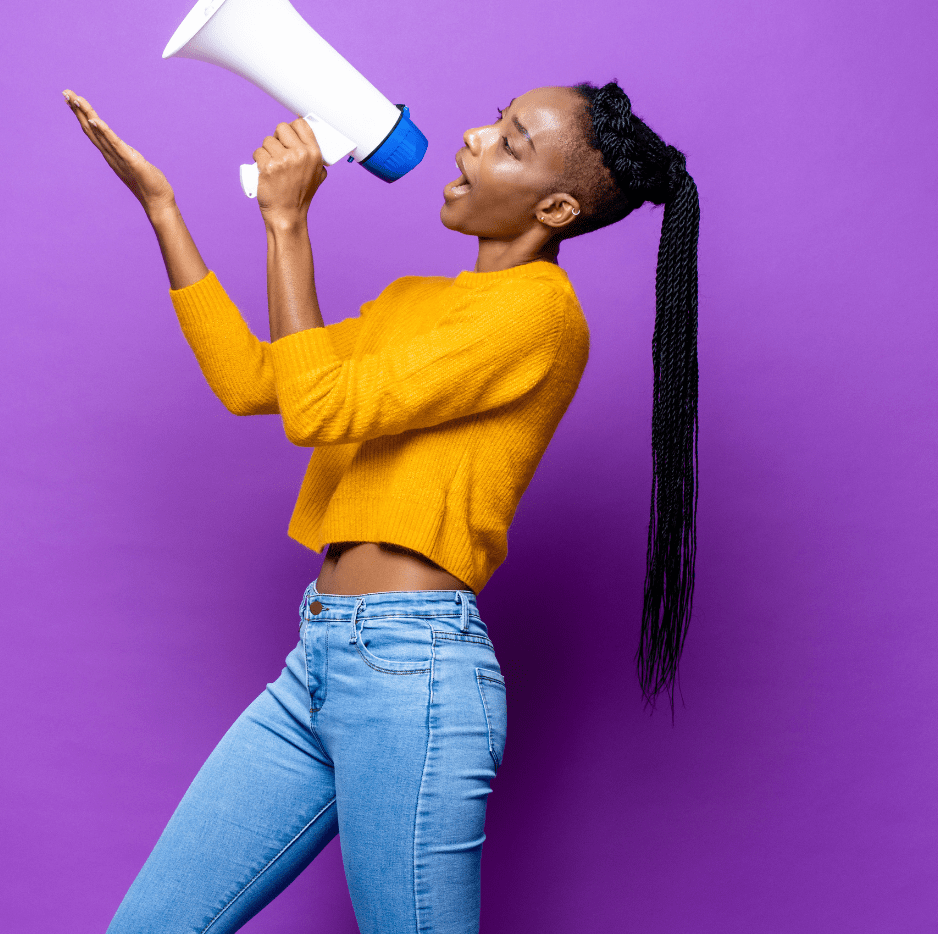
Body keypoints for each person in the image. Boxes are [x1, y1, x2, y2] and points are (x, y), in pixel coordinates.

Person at [63, 80, 699, 934]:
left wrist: (287, 224)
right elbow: (260, 382)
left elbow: (318, 408)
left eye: (511, 141)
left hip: (415, 676)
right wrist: (164, 209)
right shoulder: (416, 303)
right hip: (320, 661)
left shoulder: (542, 317)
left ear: (555, 206)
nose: (474, 138)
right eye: (494, 119)